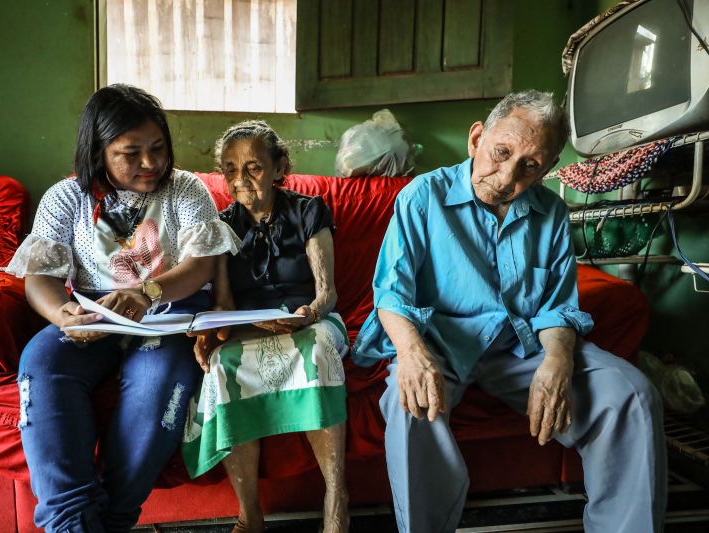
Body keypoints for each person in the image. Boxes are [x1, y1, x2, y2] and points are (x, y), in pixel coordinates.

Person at [353, 90, 666, 533]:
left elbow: (557, 306)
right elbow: (390, 293)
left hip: (519, 348)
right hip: (443, 344)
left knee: (632, 395)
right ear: (476, 137)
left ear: (548, 169)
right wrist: (410, 352)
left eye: (530, 166)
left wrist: (557, 360)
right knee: (409, 408)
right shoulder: (422, 196)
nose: (506, 176)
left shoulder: (551, 212)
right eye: (501, 152)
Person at [6, 84, 241, 533]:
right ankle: (70, 521)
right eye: (131, 153)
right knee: (41, 364)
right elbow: (40, 277)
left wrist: (147, 292)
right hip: (92, 312)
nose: (150, 163)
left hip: (166, 312)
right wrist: (61, 315)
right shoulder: (65, 198)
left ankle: (113, 520)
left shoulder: (185, 190)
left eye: (157, 148)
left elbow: (201, 264)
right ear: (99, 151)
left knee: (159, 387)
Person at [182, 120, 349, 533]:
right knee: (221, 366)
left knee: (316, 351)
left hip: (311, 320)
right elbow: (223, 303)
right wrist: (210, 332)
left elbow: (328, 293)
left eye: (253, 167)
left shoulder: (310, 211)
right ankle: (250, 513)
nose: (240, 180)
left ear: (279, 168)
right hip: (251, 326)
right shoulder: (221, 226)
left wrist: (307, 314)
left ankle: (336, 499)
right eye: (230, 169)